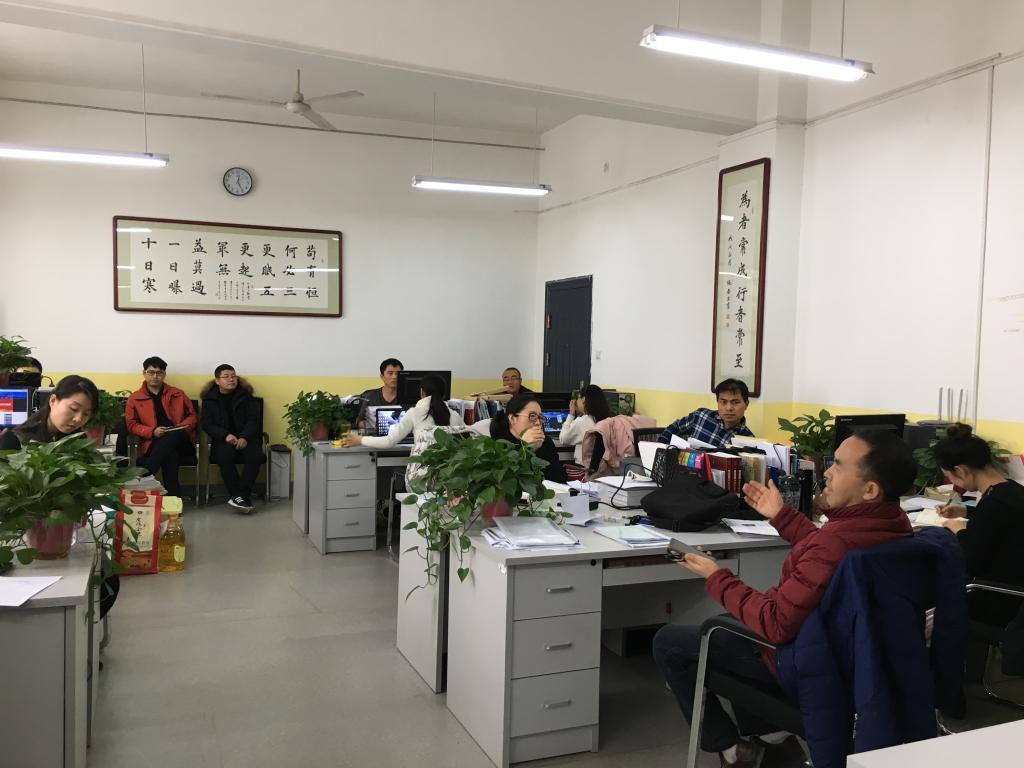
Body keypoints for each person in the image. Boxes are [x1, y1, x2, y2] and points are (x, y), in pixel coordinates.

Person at [652, 430, 916, 767]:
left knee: (670, 642)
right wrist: (781, 515)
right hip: (854, 659)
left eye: (838, 465)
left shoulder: (836, 542)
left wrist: (715, 575)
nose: (827, 472)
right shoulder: (894, 524)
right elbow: (828, 556)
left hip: (802, 660)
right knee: (732, 623)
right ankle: (772, 738)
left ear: (870, 490)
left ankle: (732, 749)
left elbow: (775, 623)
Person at [935, 423, 1024, 626]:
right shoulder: (1012, 490)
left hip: (1001, 599)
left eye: (950, 476)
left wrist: (959, 530)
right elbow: (1002, 521)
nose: (953, 482)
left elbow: (970, 561)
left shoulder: (993, 504)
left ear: (961, 471)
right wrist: (965, 511)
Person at [341, 374, 466, 484]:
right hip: (449, 480)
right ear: (444, 393)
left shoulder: (415, 413)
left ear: (422, 392)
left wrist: (360, 440)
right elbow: (467, 442)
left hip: (422, 481)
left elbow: (389, 441)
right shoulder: (455, 415)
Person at [125, 356, 197, 497]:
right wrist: (152, 431)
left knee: (173, 434)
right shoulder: (135, 398)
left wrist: (178, 427)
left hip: (181, 440)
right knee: (171, 455)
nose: (155, 376)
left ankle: (146, 474)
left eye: (159, 372)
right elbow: (131, 425)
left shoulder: (177, 394)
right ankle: (173, 496)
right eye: (151, 372)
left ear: (164, 374)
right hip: (153, 442)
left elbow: (193, 417)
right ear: (144, 373)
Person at [200, 364, 262, 513]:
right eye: (226, 376)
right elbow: (207, 424)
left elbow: (254, 420)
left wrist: (245, 437)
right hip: (223, 439)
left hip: (246, 438)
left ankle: (241, 495)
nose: (231, 379)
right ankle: (238, 495)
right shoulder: (209, 400)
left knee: (255, 456)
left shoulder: (246, 397)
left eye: (233, 376)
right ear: (217, 381)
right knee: (225, 457)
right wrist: (224, 435)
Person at [0, 374, 97, 449]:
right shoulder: (14, 439)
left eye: (86, 414)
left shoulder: (79, 441)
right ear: (53, 400)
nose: (78, 419)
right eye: (74, 408)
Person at [490, 392, 566, 483]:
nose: (538, 423)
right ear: (512, 419)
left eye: (540, 417)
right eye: (532, 416)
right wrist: (527, 448)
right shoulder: (498, 444)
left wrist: (538, 449)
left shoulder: (545, 441)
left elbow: (560, 478)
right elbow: (508, 481)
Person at [658, 378, 754, 447]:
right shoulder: (701, 416)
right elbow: (674, 428)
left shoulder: (749, 440)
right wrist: (659, 449)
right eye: (723, 402)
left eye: (735, 402)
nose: (729, 408)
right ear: (717, 402)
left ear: (746, 404)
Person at [559, 384, 611, 465]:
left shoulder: (582, 421)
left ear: (584, 399)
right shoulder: (608, 420)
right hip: (603, 468)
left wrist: (571, 414)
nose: (576, 401)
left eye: (578, 398)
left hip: (583, 469)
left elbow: (563, 438)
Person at [357, 358, 404, 428]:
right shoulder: (369, 396)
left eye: (397, 374)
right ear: (382, 377)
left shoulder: (408, 398)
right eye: (390, 373)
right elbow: (359, 421)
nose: (394, 377)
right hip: (374, 434)